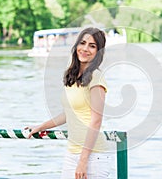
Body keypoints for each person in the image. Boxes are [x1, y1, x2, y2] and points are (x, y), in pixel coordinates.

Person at [25, 27, 113, 179]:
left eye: (92, 46)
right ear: (76, 45)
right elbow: (69, 114)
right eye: (83, 43)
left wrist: (83, 161)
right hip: (72, 153)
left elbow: (96, 121)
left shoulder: (96, 77)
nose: (85, 49)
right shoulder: (71, 76)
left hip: (93, 156)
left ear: (98, 52)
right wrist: (40, 126)